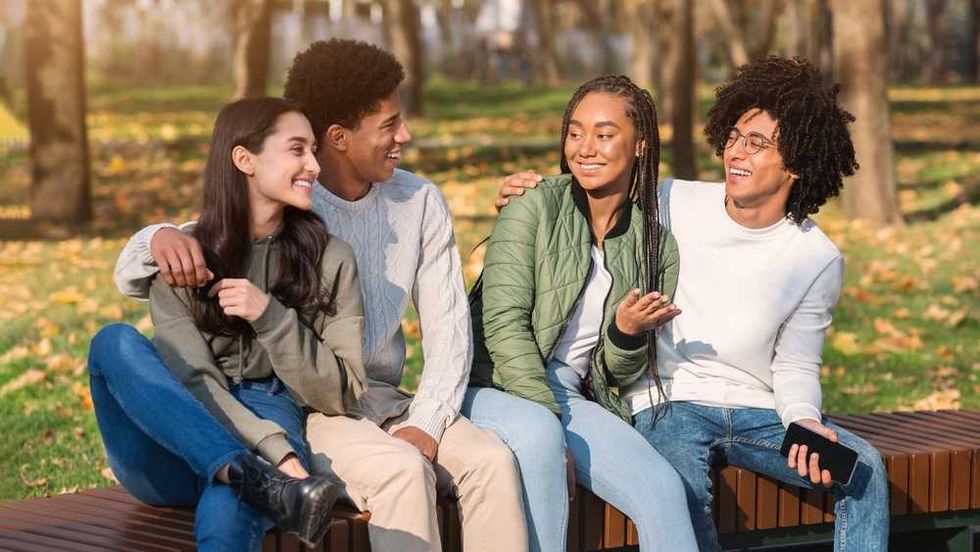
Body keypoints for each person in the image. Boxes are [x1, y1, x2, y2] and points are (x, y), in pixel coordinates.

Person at [112, 39, 526, 552]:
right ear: (339, 137)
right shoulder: (293, 200)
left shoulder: (417, 200)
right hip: (311, 407)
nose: (406, 135)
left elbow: (449, 330)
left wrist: (427, 422)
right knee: (401, 471)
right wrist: (156, 235)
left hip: (384, 397)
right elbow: (206, 238)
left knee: (492, 461)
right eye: (390, 124)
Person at [497, 57, 890, 552]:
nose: (736, 152)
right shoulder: (668, 201)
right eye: (734, 137)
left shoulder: (816, 258)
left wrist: (804, 419)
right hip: (667, 403)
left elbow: (795, 362)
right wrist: (526, 190)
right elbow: (591, 192)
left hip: (758, 412)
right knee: (677, 493)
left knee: (867, 469)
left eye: (758, 143)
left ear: (796, 162)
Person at [89, 96, 367, 552]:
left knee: (228, 509)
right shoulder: (182, 256)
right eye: (297, 149)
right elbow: (193, 379)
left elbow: (342, 390)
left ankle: (241, 477)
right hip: (170, 442)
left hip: (271, 414)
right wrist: (270, 456)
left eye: (313, 150)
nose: (315, 165)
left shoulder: (330, 258)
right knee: (113, 341)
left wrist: (271, 317)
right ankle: (244, 472)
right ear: (245, 159)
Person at [471, 74, 699, 552]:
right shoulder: (532, 205)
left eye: (604, 133)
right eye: (575, 132)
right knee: (537, 441)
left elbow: (616, 373)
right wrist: (549, 419)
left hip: (569, 395)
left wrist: (625, 334)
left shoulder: (654, 247)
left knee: (663, 491)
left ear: (639, 145)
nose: (585, 147)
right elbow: (502, 327)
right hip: (490, 384)